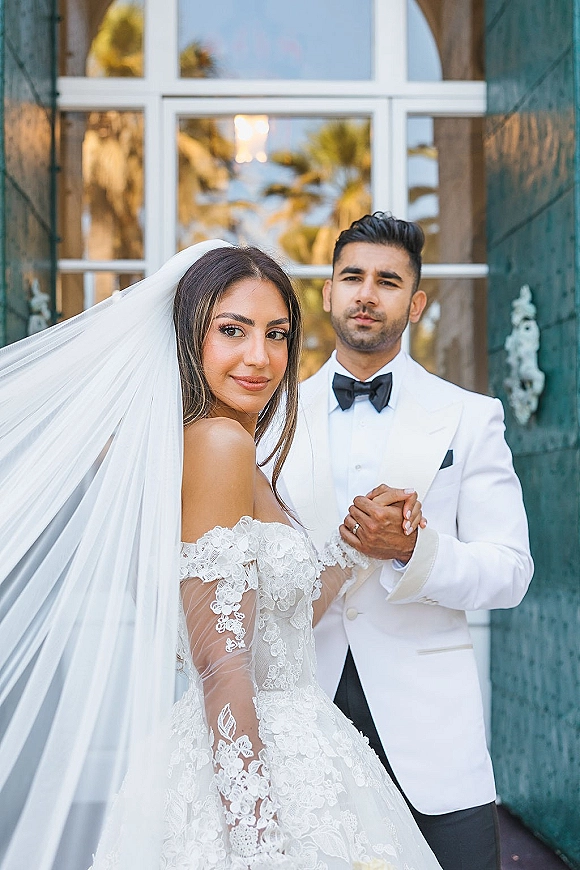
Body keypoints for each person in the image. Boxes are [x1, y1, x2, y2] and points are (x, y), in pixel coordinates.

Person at [0, 241, 442, 870]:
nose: (259, 358)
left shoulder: (232, 449)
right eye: (232, 331)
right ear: (189, 340)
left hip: (291, 743)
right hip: (255, 765)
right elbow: (220, 661)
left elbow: (274, 626)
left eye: (277, 334)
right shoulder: (216, 445)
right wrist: (256, 837)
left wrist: (358, 542)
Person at [276, 213, 534, 870]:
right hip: (308, 719)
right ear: (328, 292)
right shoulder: (272, 417)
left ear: (415, 303)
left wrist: (412, 550)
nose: (367, 293)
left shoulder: (471, 418)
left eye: (387, 281)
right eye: (352, 277)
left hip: (433, 738)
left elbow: (510, 570)